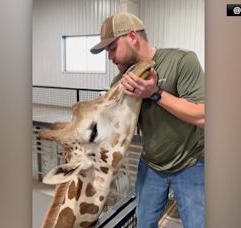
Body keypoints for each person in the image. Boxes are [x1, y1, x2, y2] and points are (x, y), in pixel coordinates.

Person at [90, 12, 205, 228]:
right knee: (144, 224)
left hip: (191, 163)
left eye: (112, 48)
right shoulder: (122, 80)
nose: (109, 56)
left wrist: (155, 93)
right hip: (151, 166)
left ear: (132, 37)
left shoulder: (181, 61)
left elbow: (203, 115)